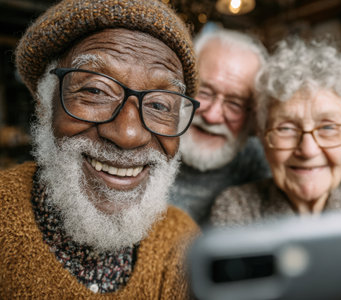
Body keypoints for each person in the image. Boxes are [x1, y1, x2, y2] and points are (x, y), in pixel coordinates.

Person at [0, 0, 201, 298]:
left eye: (160, 105)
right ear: (45, 104)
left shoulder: (183, 241)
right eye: (96, 91)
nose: (129, 133)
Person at [210, 37, 341, 227]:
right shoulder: (237, 207)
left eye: (328, 127)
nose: (308, 150)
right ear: (263, 138)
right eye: (286, 128)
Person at [169, 28, 271, 226]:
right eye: (204, 92)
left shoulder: (264, 167)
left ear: (254, 114)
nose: (212, 116)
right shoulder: (139, 143)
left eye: (235, 103)